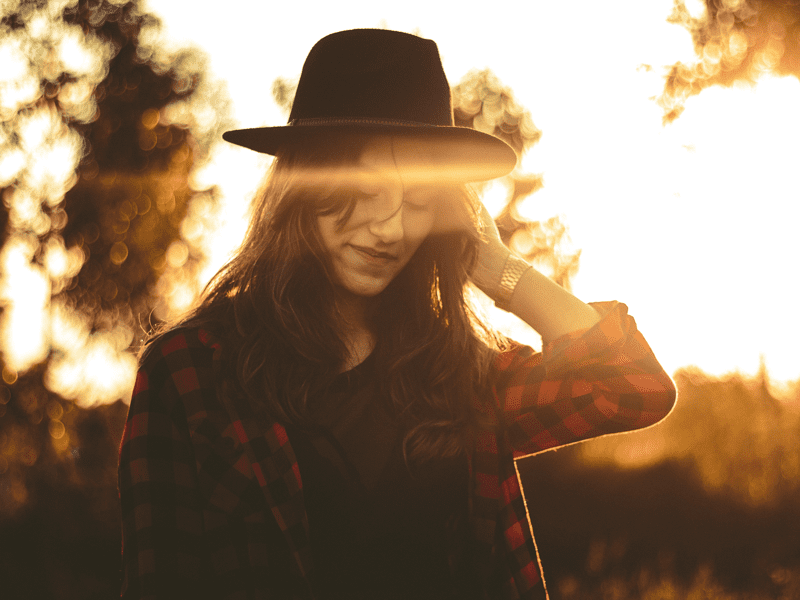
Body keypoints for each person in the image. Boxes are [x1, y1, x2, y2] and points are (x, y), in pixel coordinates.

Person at [118, 29, 676, 600]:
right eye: (364, 189)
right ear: (301, 186)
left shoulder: (456, 374)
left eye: (417, 201)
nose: (390, 228)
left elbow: (630, 385)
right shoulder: (191, 372)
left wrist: (494, 265)